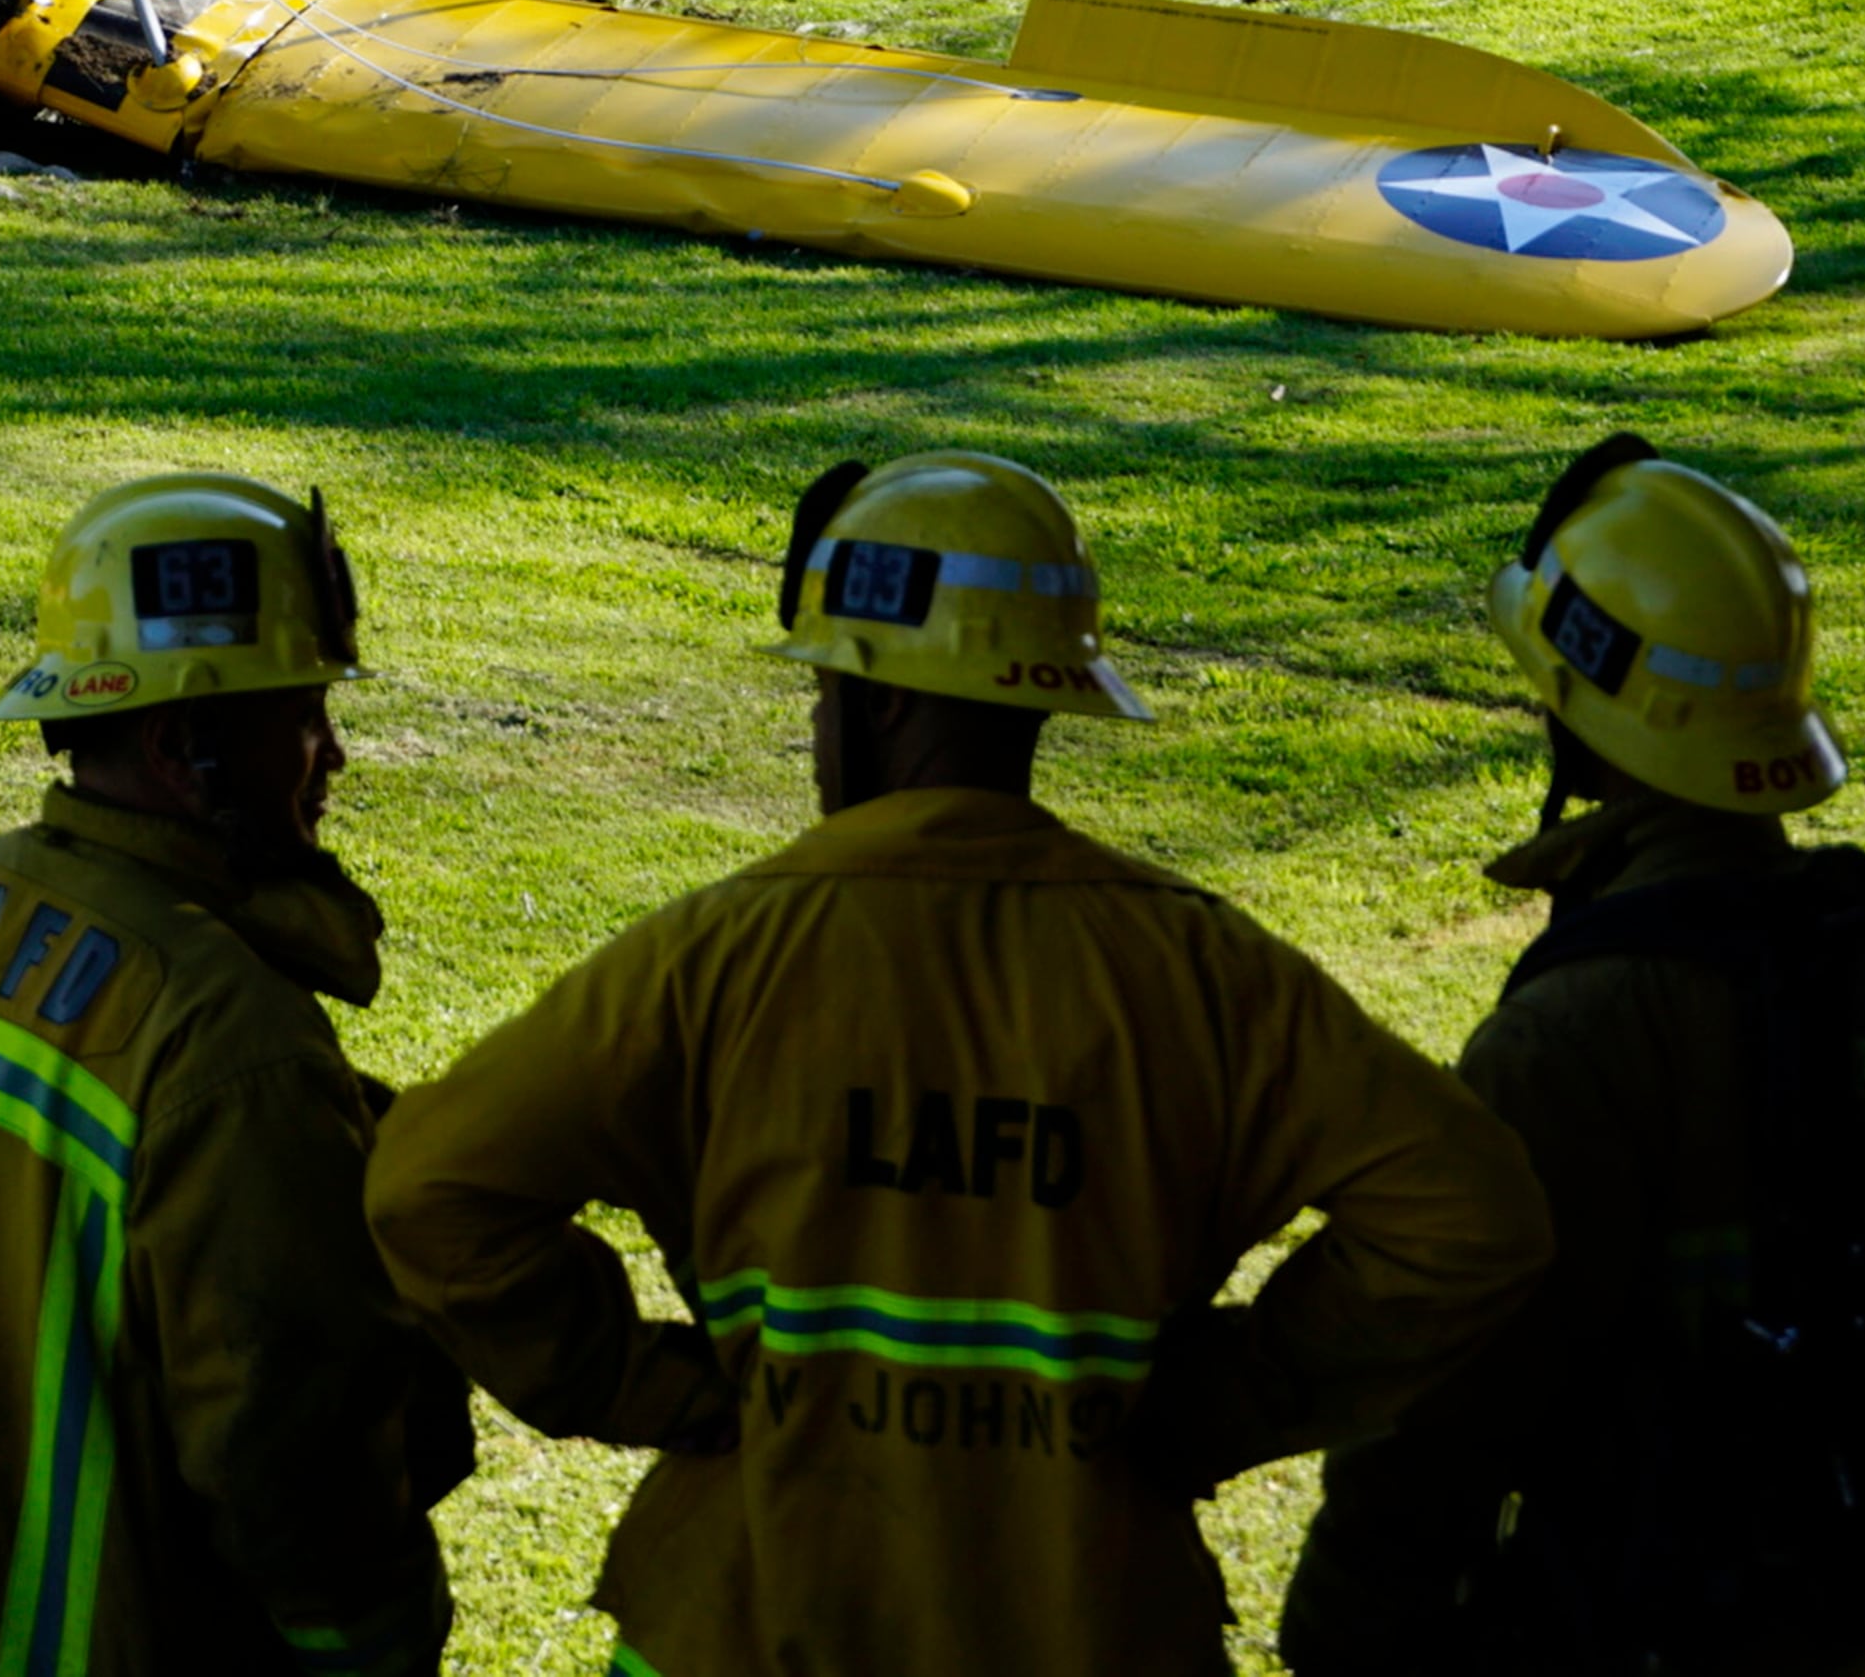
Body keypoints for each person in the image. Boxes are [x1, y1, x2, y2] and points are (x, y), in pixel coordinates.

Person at [363, 449, 1554, 1677]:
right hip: (1088, 1619)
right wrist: (1226, 1398)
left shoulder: (718, 954)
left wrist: (641, 1386)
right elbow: (1473, 1218)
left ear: (875, 702)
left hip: (752, 1618)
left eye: (823, 694)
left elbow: (430, 1187)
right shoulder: (1203, 969)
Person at [0, 472, 468, 1677]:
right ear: (183, 742)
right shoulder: (230, 1040)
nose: (332, 752)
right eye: (301, 712)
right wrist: (385, 1644)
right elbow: (295, 1470)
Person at [1278, 437, 1865, 1677]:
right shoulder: (1863, 948)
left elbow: (1450, 1398)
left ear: (1577, 707)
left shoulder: (1577, 1033)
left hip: (1634, 1617)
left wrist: (1348, 1625)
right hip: (1836, 1605)